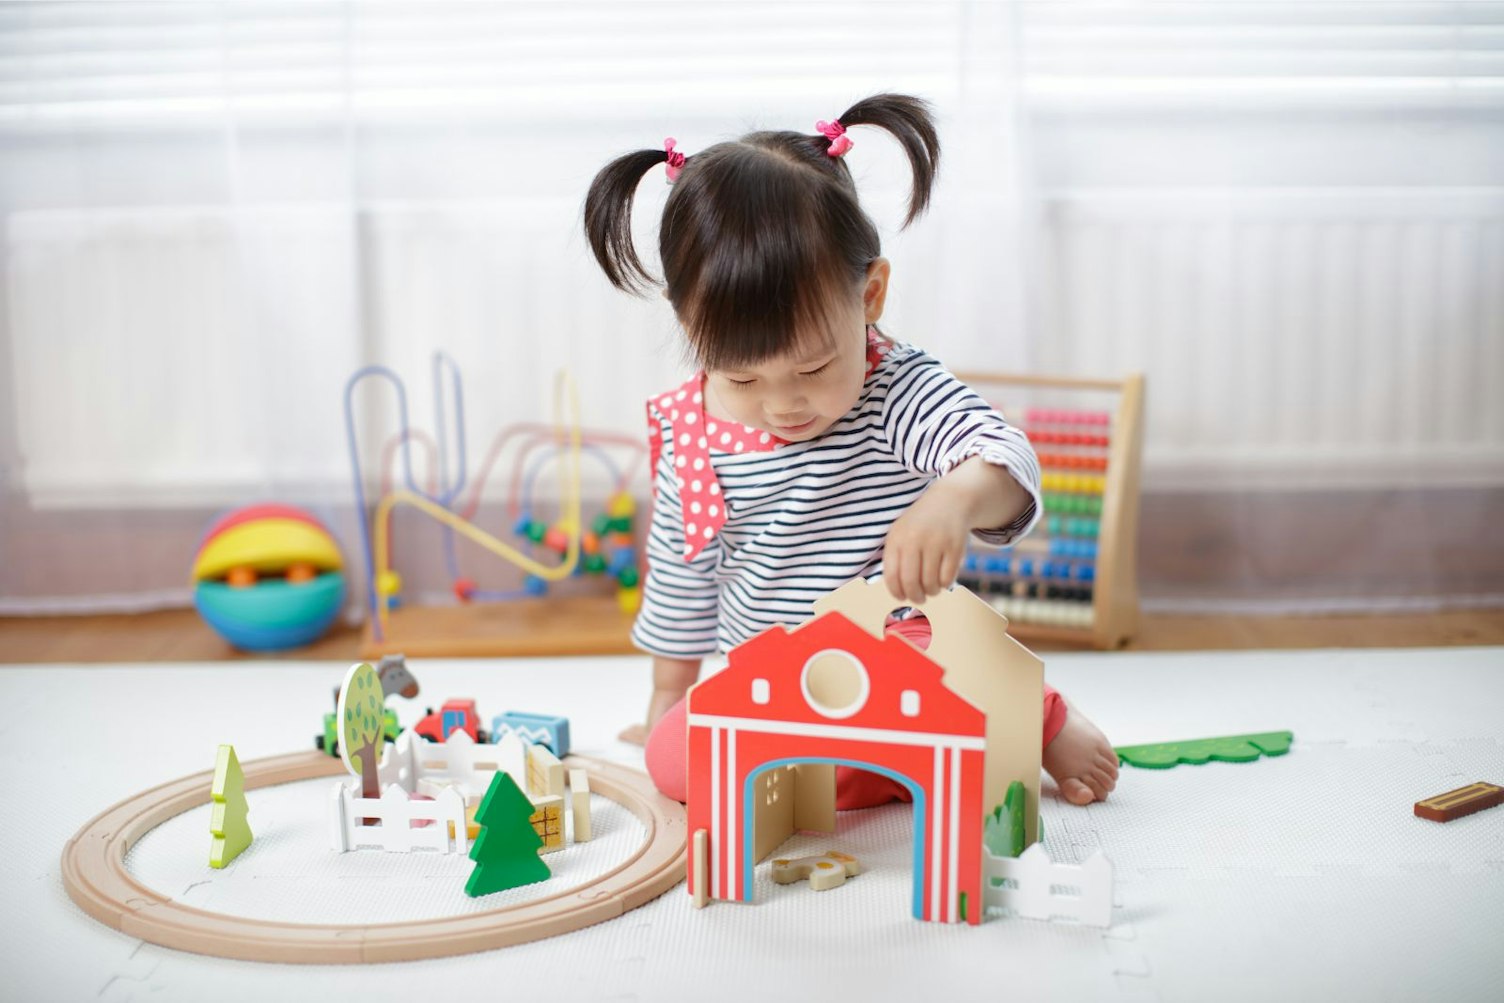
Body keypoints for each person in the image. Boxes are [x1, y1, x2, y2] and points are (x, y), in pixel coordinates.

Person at [582, 93, 1117, 808]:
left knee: (942, 661)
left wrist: (955, 497)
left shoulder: (895, 388)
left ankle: (1034, 714)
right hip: (779, 683)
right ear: (690, 328)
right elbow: (685, 576)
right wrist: (668, 698)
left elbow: (1004, 457)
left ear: (869, 296)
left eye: (813, 368)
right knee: (673, 763)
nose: (783, 406)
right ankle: (883, 763)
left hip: (895, 656)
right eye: (743, 379)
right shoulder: (691, 432)